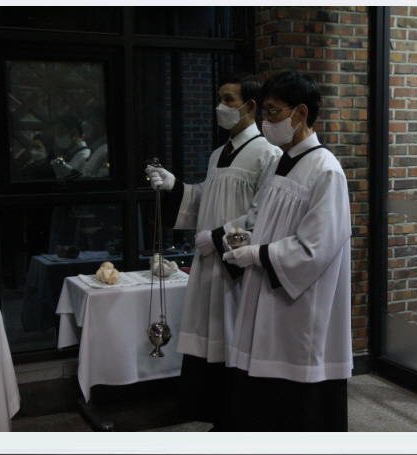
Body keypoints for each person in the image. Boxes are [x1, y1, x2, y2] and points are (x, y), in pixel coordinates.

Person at [145, 72, 282, 431]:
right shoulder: (218, 153)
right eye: (220, 98)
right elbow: (208, 197)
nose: (221, 106)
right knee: (208, 336)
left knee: (233, 334)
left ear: (250, 106)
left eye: (228, 99)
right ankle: (211, 411)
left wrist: (220, 237)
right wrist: (175, 185)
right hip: (208, 261)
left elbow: (265, 213)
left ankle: (237, 418)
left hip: (236, 264)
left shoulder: (268, 153)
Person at [219, 70, 353, 431]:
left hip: (300, 302)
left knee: (294, 393)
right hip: (267, 290)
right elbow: (262, 215)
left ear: (301, 112)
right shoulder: (282, 160)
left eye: (273, 112)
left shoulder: (326, 170)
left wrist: (258, 255)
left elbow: (316, 248)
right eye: (264, 111)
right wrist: (240, 237)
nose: (266, 121)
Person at [50, 112, 91, 179]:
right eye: (56, 132)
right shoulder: (70, 154)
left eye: (60, 131)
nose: (57, 136)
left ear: (73, 133)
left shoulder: (84, 156)